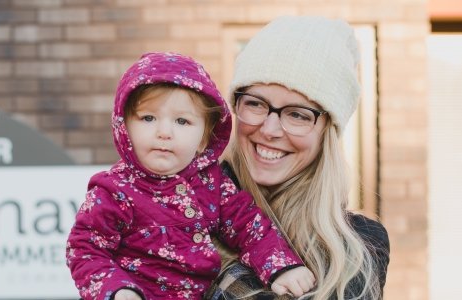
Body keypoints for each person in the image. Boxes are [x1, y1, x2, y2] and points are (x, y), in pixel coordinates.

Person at [66, 52, 315, 300]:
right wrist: (117, 291)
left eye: (182, 121)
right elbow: (85, 249)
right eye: (148, 118)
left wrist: (281, 266)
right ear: (124, 127)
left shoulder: (211, 182)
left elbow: (250, 226)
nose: (164, 132)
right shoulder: (114, 190)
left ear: (204, 137)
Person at [205, 16, 390, 300]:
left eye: (297, 114)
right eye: (255, 103)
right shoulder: (188, 208)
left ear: (327, 132)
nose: (269, 129)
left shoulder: (357, 248)